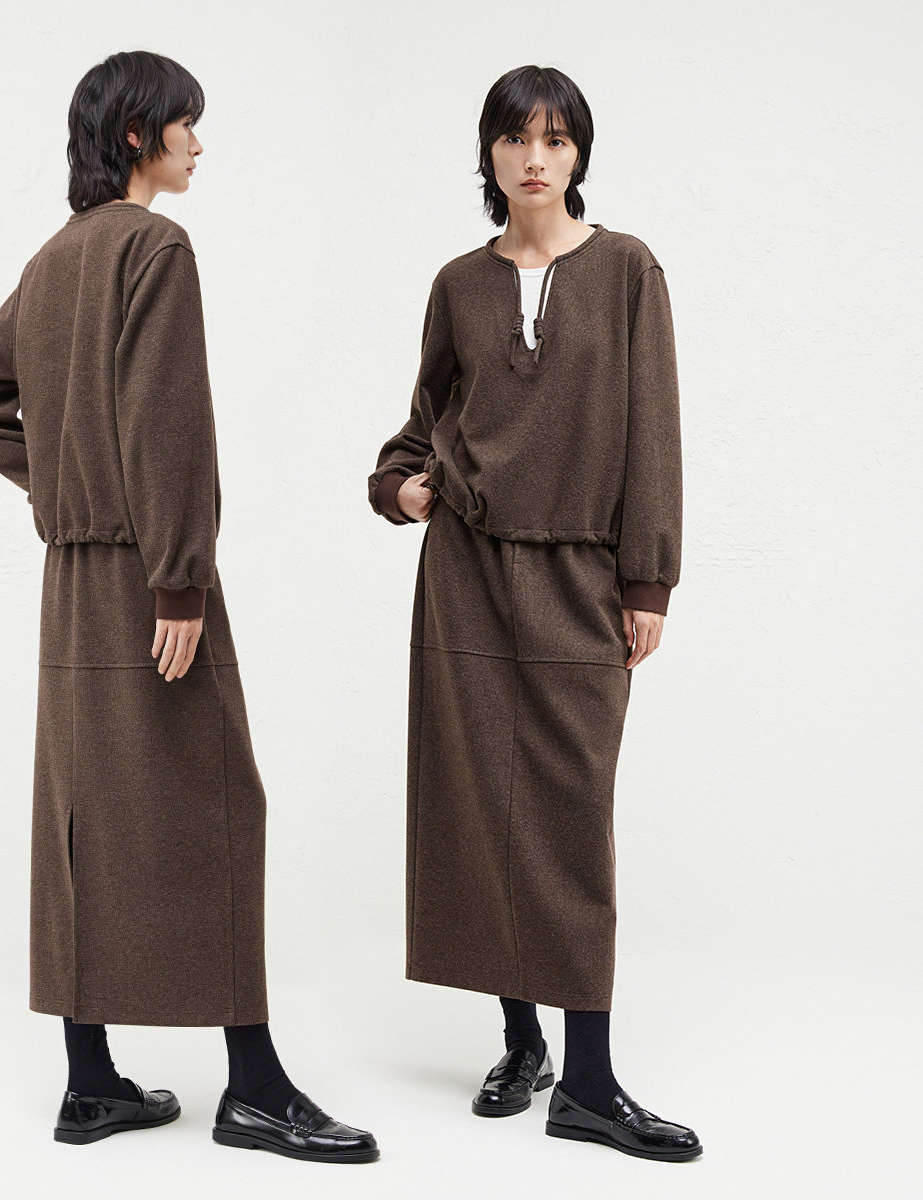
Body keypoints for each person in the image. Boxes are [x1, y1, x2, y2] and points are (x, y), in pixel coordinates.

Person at [0, 49, 377, 1164]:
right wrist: (179, 580)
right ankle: (256, 1090)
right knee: (221, 805)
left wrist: (60, 483)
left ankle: (90, 1084)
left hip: (70, 585)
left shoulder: (53, 260)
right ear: (139, 134)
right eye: (187, 123)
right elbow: (167, 423)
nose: (198, 143)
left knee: (83, 816)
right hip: (146, 576)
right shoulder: (154, 248)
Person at [367, 64, 702, 1162]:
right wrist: (400, 488)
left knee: (567, 821)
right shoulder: (458, 285)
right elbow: (422, 424)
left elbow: (653, 428)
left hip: (579, 579)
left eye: (555, 139)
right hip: (465, 576)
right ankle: (524, 1045)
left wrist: (647, 582)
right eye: (516, 139)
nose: (535, 158)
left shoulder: (627, 270)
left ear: (578, 154)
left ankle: (590, 1081)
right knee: (480, 814)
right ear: (491, 153)